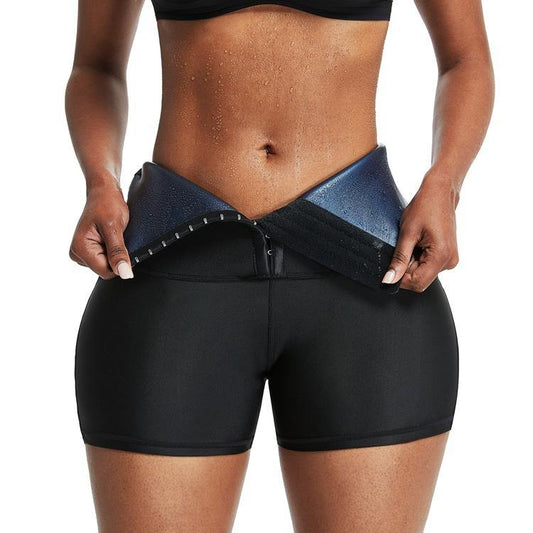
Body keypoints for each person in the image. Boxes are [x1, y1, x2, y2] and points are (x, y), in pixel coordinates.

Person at [65, 0, 494, 530]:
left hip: (369, 279)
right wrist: (100, 180)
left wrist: (445, 183)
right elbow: (97, 67)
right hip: (172, 271)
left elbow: (465, 59)